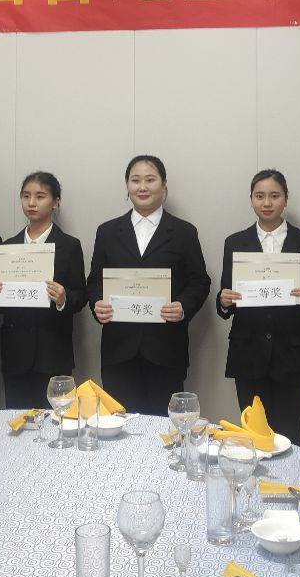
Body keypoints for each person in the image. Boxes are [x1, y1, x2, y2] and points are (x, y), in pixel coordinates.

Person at [87, 155, 211, 415]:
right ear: (127, 186)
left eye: (150, 180)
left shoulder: (184, 232)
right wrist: (97, 303)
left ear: (164, 185)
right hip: (118, 350)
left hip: (166, 349)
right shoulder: (107, 231)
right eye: (135, 180)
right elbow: (95, 280)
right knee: (121, 424)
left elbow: (199, 281)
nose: (142, 187)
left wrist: (183, 306)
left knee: (163, 425)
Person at [216, 169, 300, 445]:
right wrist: (224, 300)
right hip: (248, 353)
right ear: (251, 199)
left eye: (274, 196)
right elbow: (226, 296)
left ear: (285, 199)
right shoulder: (235, 243)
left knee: (290, 434)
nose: (267, 203)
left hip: (293, 353)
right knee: (254, 435)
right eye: (260, 196)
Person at [0, 172, 87, 409]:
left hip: (53, 351)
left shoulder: (69, 245)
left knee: (56, 420)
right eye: (26, 196)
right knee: (19, 420)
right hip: (15, 352)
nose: (31, 203)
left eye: (40, 196)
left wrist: (63, 298)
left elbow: (81, 296)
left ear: (55, 202)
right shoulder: (7, 247)